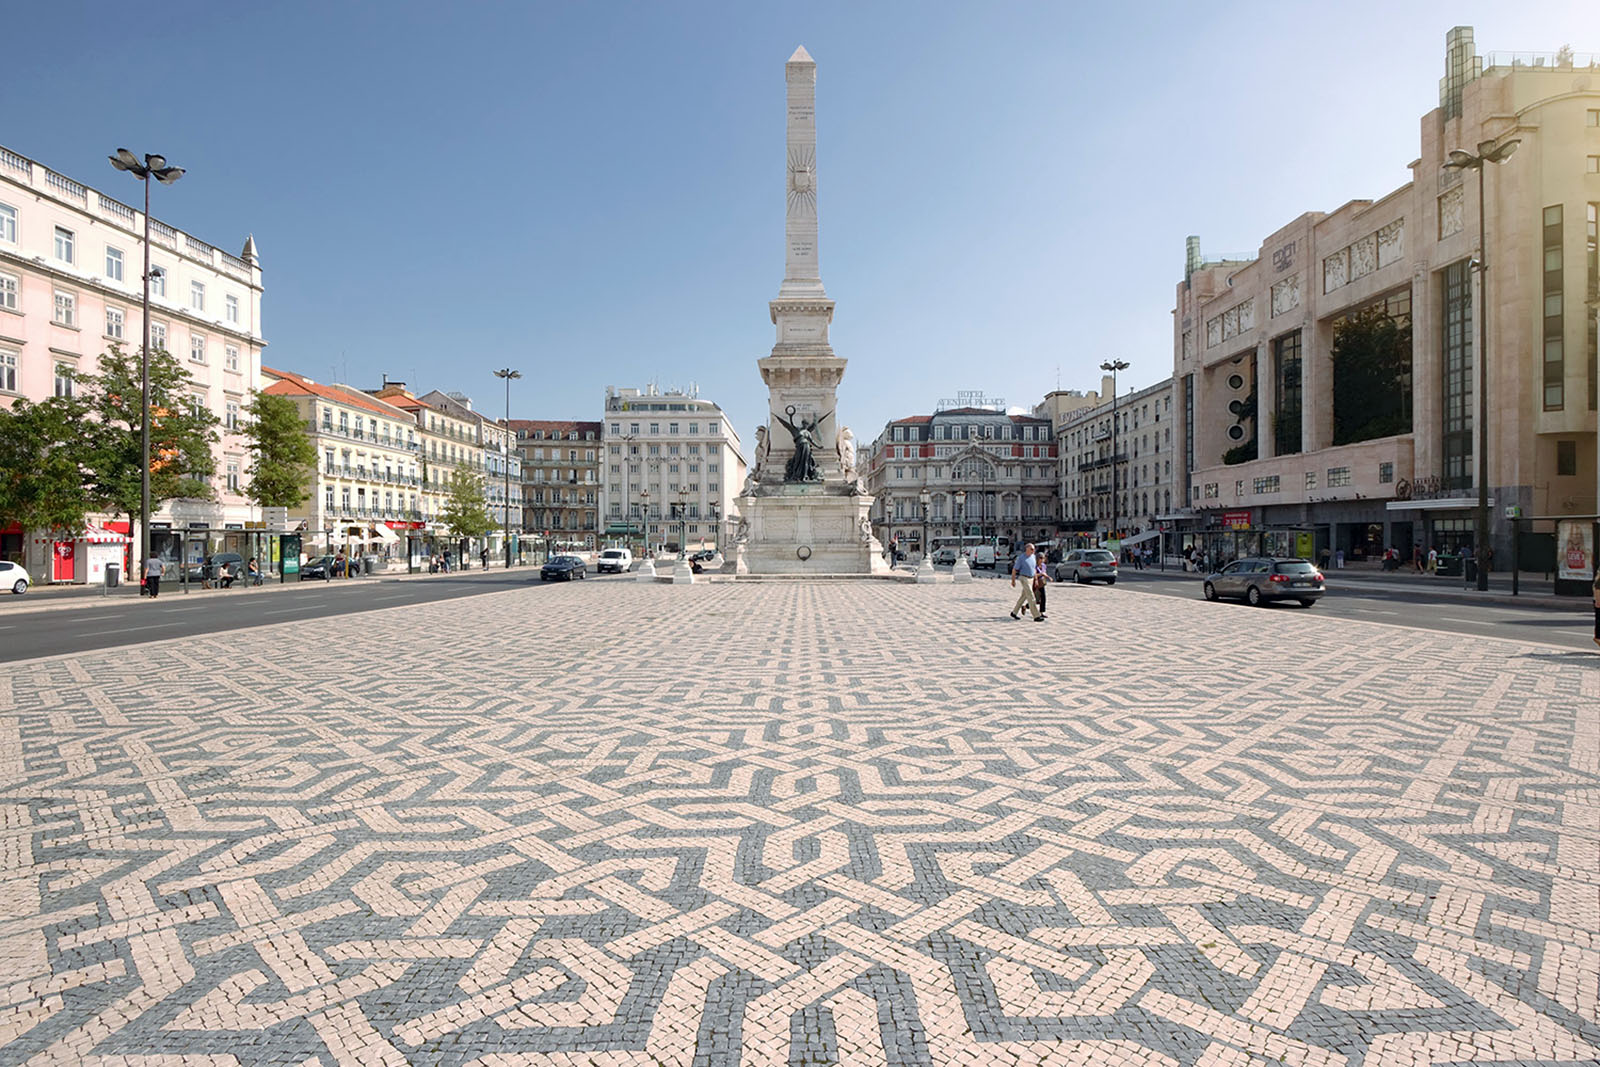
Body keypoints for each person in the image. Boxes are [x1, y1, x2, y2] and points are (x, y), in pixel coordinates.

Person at [1008, 542, 1044, 621]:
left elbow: (1034, 569)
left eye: (1034, 549)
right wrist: (1013, 581)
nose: (1033, 550)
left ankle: (1014, 612)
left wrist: (1036, 579)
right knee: (1031, 596)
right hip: (1024, 578)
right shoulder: (1021, 558)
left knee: (1023, 596)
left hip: (1031, 578)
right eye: (1031, 549)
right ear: (1027, 549)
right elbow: (1014, 569)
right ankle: (1036, 615)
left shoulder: (1033, 557)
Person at [1033, 548, 1050, 616]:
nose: (1042, 559)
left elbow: (1044, 573)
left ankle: (1042, 612)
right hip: (1035, 583)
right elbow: (1033, 575)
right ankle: (1025, 606)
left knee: (1043, 597)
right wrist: (1041, 574)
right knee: (1036, 599)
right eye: (1040, 558)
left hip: (1041, 583)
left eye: (1043, 558)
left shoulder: (1043, 565)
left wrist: (1047, 577)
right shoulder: (1034, 565)